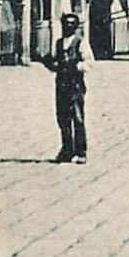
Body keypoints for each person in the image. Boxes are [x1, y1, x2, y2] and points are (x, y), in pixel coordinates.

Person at [45, 13, 88, 163]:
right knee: (62, 117)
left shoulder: (80, 43)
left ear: (75, 27)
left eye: (71, 24)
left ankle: (81, 152)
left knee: (77, 117)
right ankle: (66, 150)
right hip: (61, 84)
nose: (67, 27)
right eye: (65, 24)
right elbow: (55, 60)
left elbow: (89, 63)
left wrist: (76, 66)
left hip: (75, 84)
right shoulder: (58, 43)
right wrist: (51, 64)